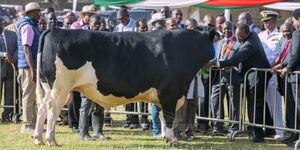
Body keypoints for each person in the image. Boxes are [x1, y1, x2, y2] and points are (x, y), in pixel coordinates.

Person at [207, 24, 272, 143]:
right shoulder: (251, 35)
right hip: (252, 74)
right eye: (236, 35)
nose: (237, 38)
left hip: (258, 76)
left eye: (240, 35)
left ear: (247, 33)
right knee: (258, 103)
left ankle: (258, 134)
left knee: (255, 104)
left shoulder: (249, 44)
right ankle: (268, 129)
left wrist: (215, 64)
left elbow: (235, 59)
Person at [210, 21, 242, 135]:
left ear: (233, 29)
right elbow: (217, 58)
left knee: (234, 102)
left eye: (229, 29)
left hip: (232, 76)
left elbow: (235, 59)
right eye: (224, 29)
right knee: (215, 99)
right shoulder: (219, 42)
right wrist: (210, 63)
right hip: (219, 76)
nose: (226, 31)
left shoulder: (237, 43)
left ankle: (234, 127)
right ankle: (218, 126)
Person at [16, 2, 42, 133]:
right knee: (28, 96)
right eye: (37, 12)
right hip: (28, 67)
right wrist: (32, 69)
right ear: (30, 13)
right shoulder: (27, 27)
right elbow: (27, 49)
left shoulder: (32, 25)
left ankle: (34, 124)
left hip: (30, 66)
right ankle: (27, 125)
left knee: (33, 96)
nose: (39, 14)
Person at [258, 10, 284, 139]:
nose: (265, 23)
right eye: (263, 21)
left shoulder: (280, 36)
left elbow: (281, 55)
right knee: (264, 102)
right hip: (262, 73)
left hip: (274, 73)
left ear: (274, 21)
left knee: (276, 104)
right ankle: (266, 128)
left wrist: (273, 65)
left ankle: (279, 130)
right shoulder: (260, 35)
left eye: (267, 21)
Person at [272, 23, 298, 145]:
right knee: (290, 108)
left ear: (293, 30)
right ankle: (294, 133)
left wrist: (282, 66)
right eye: (283, 31)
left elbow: (293, 56)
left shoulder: (296, 39)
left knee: (296, 107)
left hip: (293, 76)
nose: (285, 33)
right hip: (284, 78)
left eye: (288, 31)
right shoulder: (283, 41)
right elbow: (282, 57)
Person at [113, 7, 138, 129]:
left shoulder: (135, 26)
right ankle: (128, 119)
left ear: (128, 16)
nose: (121, 21)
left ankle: (135, 119)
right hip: (121, 63)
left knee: (134, 92)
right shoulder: (117, 28)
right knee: (125, 92)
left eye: (123, 18)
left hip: (133, 63)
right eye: (119, 19)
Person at [280, 8, 300, 147]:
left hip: (296, 76)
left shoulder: (298, 33)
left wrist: (288, 68)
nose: (293, 23)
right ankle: (295, 134)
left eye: (293, 20)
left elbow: (295, 54)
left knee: (298, 108)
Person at [0, 17, 17, 123]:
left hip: (11, 68)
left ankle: (6, 116)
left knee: (9, 93)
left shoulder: (12, 34)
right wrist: (4, 54)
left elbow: (18, 48)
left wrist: (13, 58)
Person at [135, 18, 151, 130]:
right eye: (142, 27)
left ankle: (144, 119)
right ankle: (133, 119)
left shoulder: (150, 39)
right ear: (137, 28)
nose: (144, 29)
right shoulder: (133, 39)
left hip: (146, 72)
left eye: (146, 27)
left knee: (144, 98)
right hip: (133, 71)